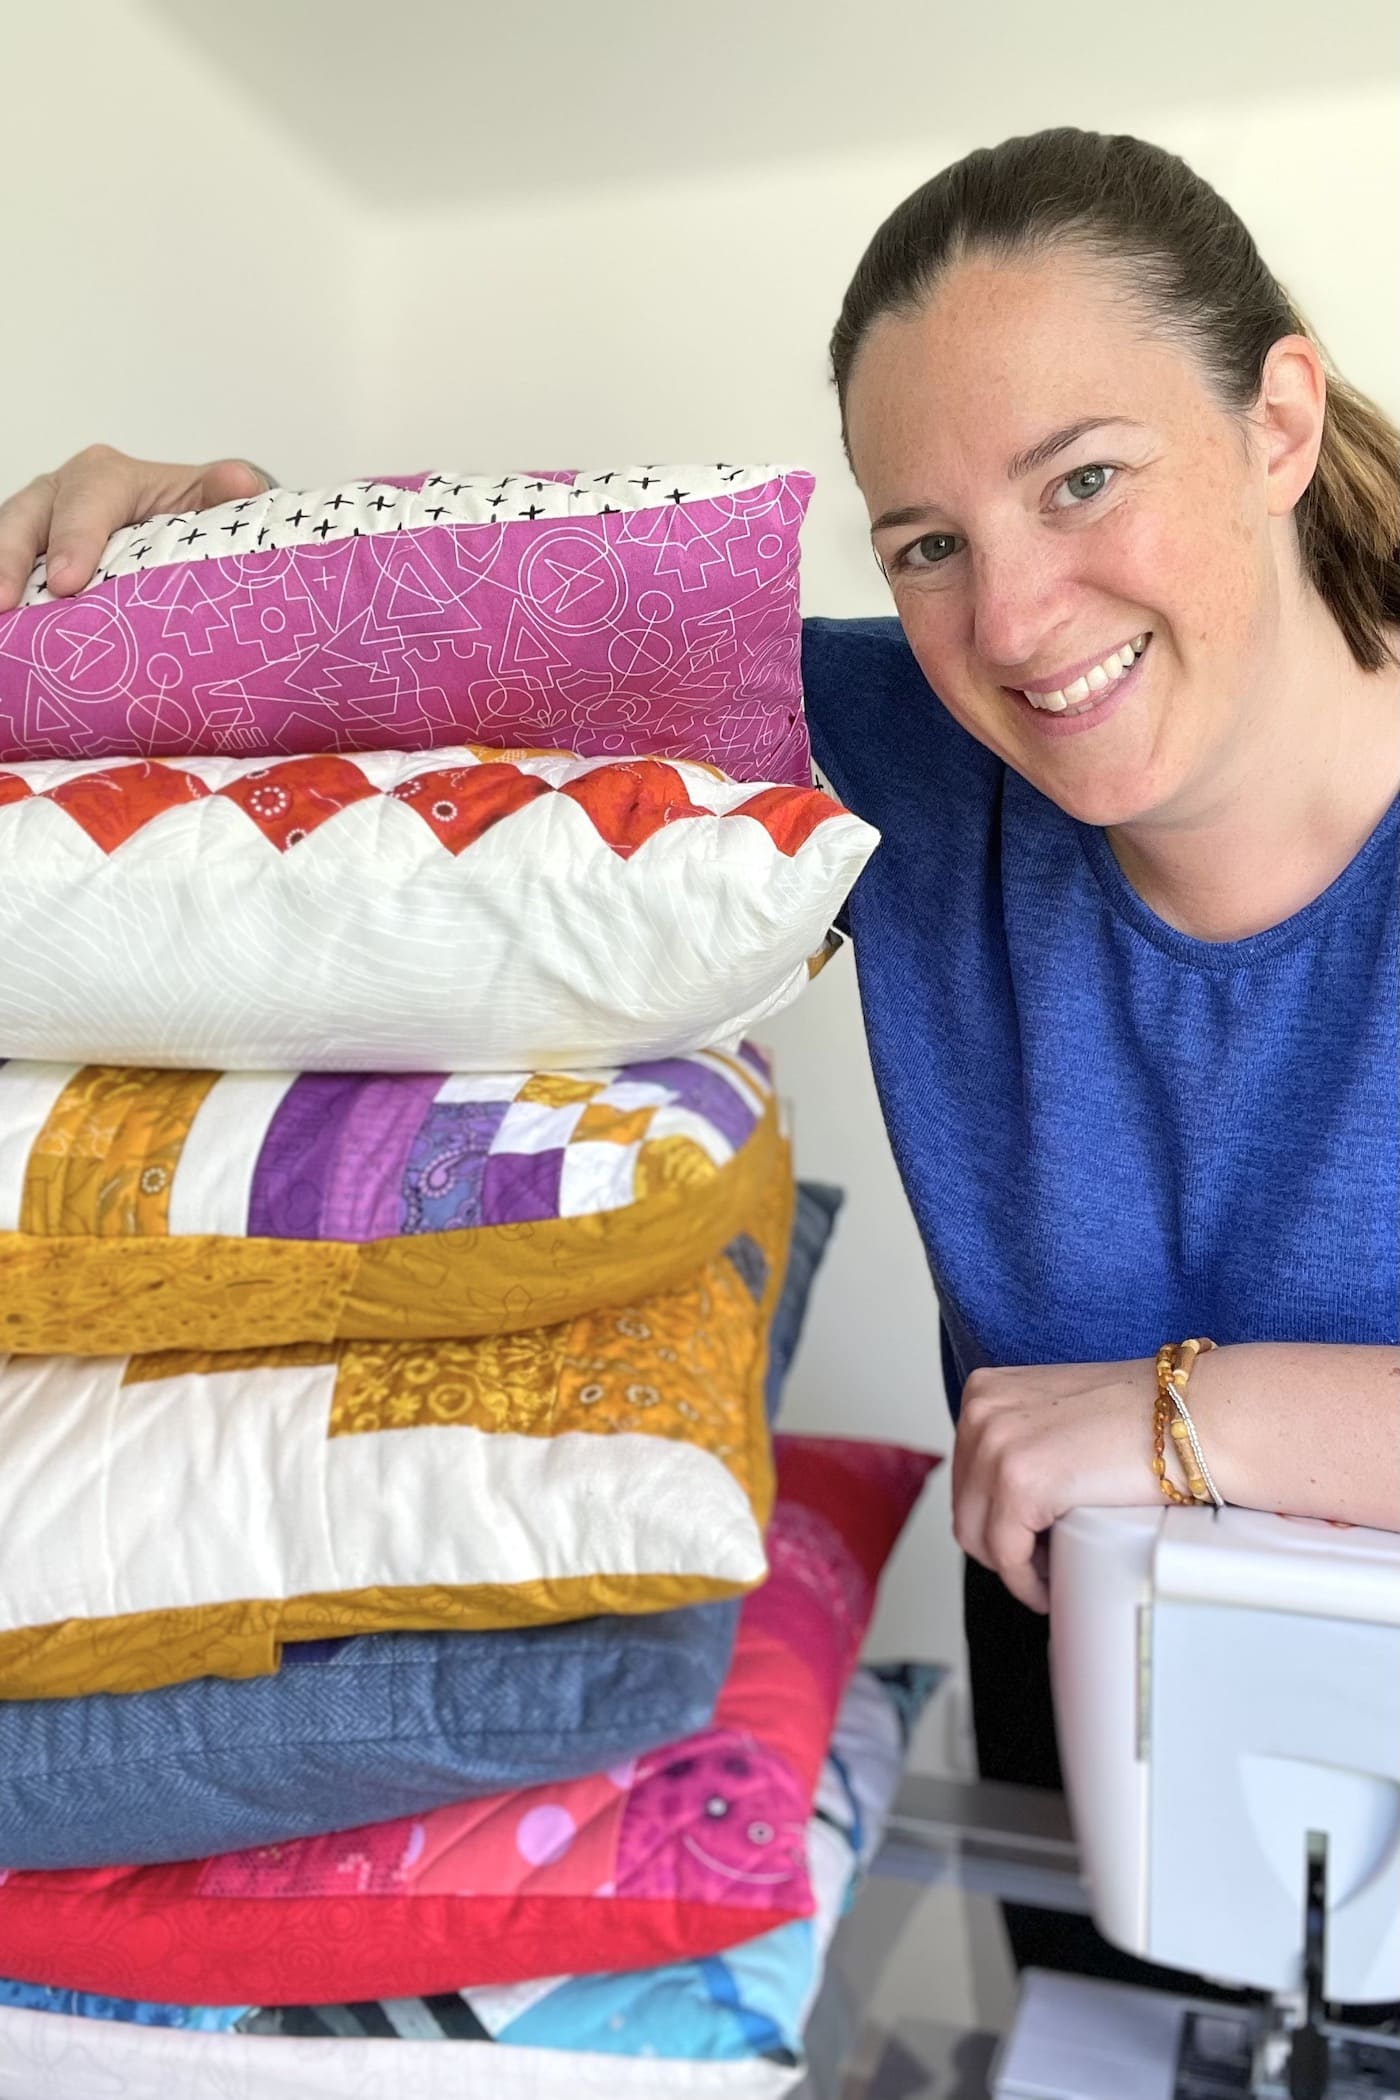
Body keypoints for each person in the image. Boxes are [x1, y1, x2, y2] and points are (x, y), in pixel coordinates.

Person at [2, 128, 1397, 1995]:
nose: (1012, 623)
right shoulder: (906, 745)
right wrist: (177, 545)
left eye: (1083, 480)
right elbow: (421, 692)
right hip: (1097, 1696)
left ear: (1279, 419)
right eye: (927, 544)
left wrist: (1195, 1415)